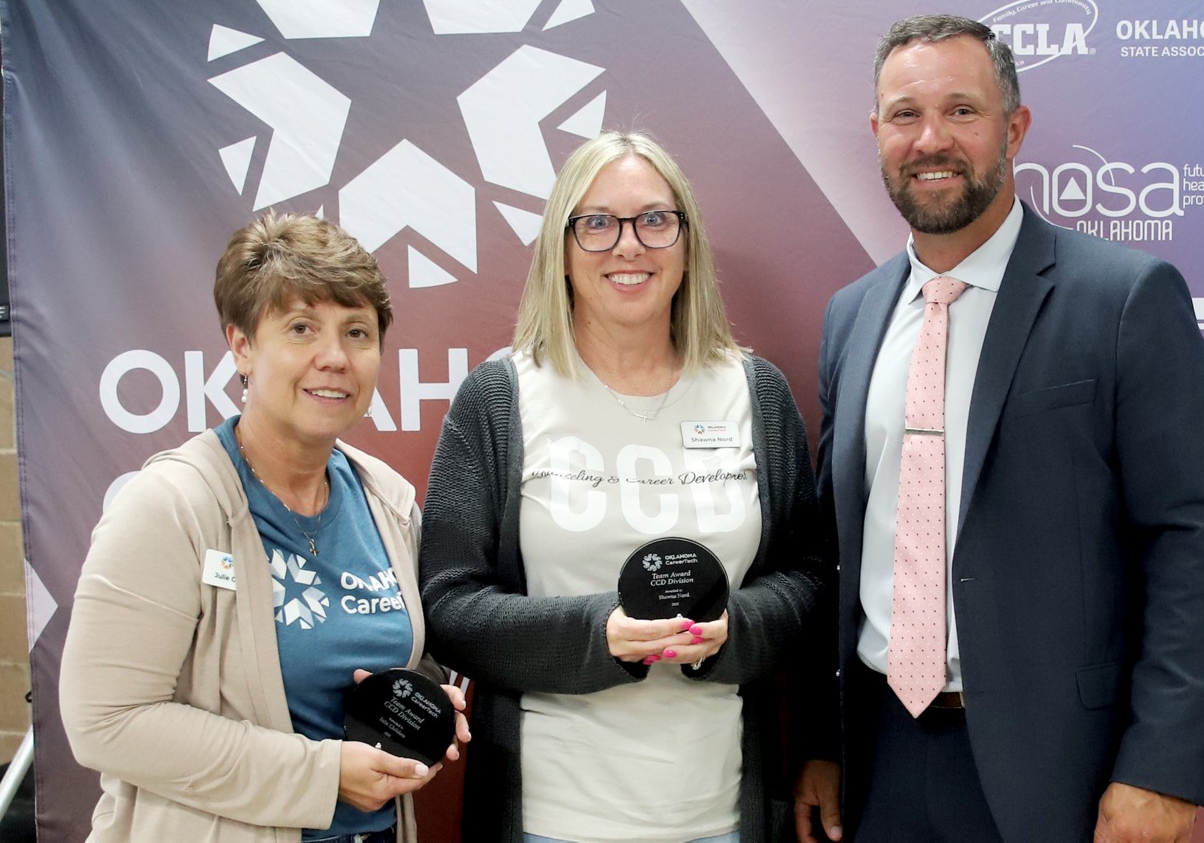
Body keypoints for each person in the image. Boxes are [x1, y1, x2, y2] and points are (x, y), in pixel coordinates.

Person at [793, 14, 1204, 843]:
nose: (931, 139)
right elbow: (836, 551)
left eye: (962, 110)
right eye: (905, 114)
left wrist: (1161, 765)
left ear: (1015, 127)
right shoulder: (851, 317)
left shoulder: (1124, 298)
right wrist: (824, 741)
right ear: (877, 132)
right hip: (880, 756)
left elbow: (1191, 540)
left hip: (1061, 769)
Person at [418, 130, 828, 842]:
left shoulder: (753, 392)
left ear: (687, 241)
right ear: (562, 248)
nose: (628, 245)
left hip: (719, 815)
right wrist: (598, 635)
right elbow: (450, 607)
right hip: (550, 820)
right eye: (598, 222)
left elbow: (809, 576)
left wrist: (737, 631)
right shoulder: (501, 396)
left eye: (654, 220)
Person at [61, 212, 469, 842]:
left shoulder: (386, 501)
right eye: (301, 328)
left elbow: (418, 665)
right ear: (242, 345)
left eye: (357, 332)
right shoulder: (171, 506)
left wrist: (428, 703)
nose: (334, 358)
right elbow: (106, 721)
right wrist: (321, 773)